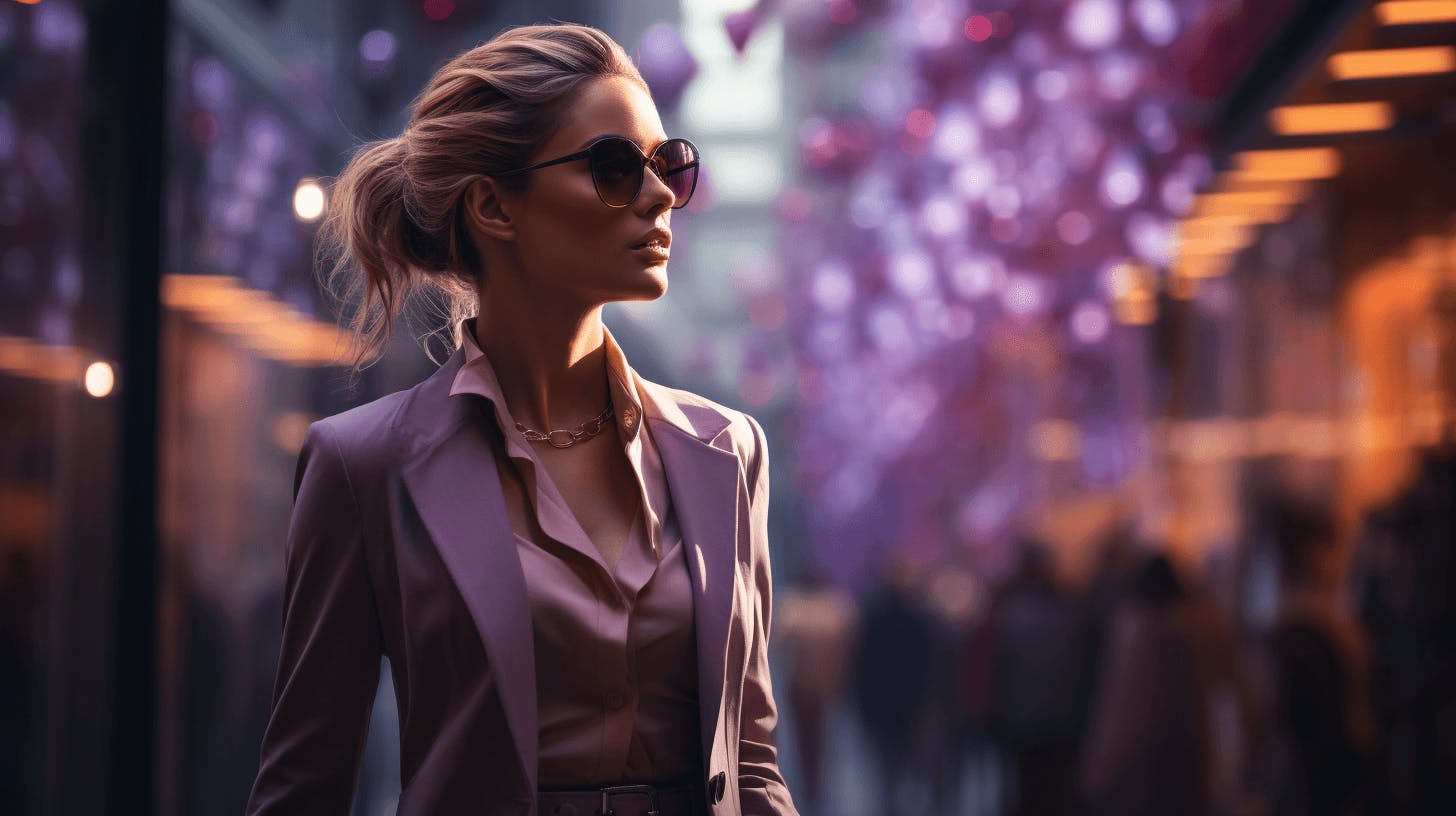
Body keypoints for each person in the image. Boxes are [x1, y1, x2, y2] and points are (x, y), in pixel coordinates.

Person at [244, 24, 798, 816]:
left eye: (666, 163)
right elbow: (304, 787)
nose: (659, 194)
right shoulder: (363, 465)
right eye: (612, 167)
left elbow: (750, 766)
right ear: (493, 206)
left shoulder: (727, 451)